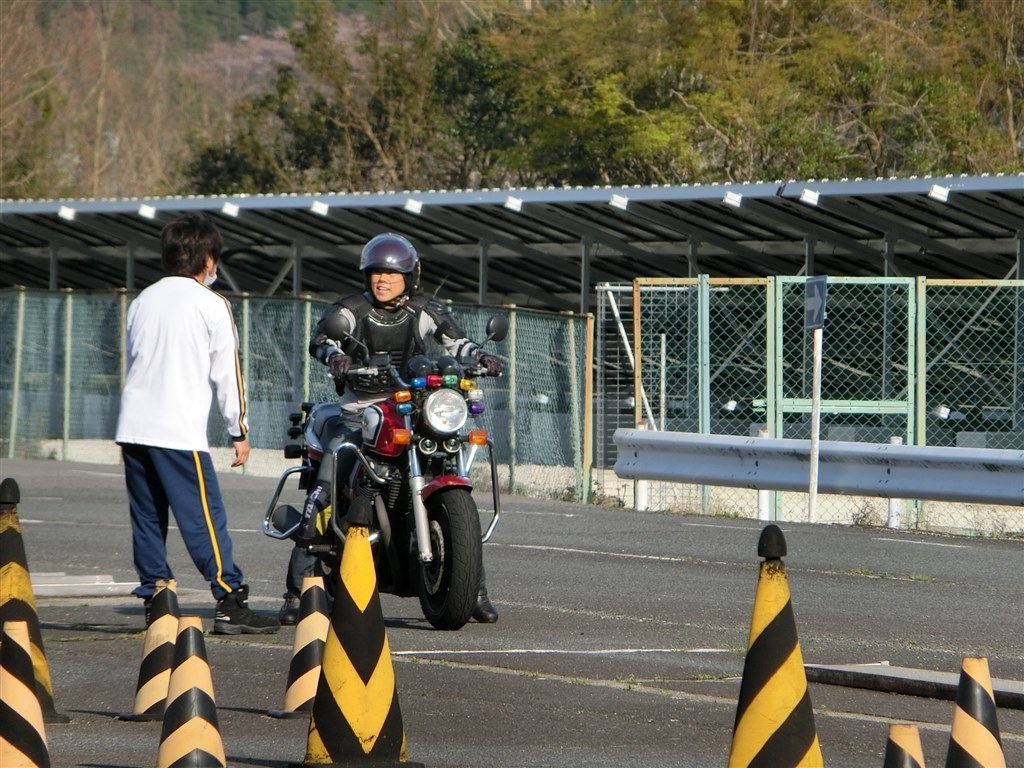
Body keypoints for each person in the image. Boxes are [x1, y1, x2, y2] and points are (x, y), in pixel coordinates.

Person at [278, 232, 502, 626]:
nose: (383, 280)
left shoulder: (425, 309)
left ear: (410, 276)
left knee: (450, 465)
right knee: (329, 477)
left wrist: (480, 354)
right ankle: (297, 591)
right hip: (359, 410)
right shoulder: (351, 309)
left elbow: (457, 342)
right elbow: (322, 338)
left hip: (411, 408)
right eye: (377, 273)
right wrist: (335, 357)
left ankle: (474, 588)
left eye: (392, 274)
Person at [115, 213, 280, 635]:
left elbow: (132, 363)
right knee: (204, 517)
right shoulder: (212, 304)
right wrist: (238, 430)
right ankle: (230, 598)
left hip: (134, 426)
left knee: (148, 517)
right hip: (177, 431)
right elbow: (228, 373)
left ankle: (156, 596)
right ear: (208, 258)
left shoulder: (143, 299)